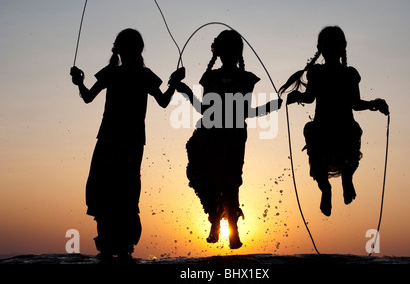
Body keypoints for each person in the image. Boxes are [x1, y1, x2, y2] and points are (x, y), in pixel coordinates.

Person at [70, 28, 184, 260]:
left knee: (104, 191)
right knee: (126, 193)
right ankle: (124, 247)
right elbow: (163, 101)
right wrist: (173, 83)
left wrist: (79, 83)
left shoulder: (113, 73)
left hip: (109, 141)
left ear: (118, 49)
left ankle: (109, 247)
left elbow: (88, 97)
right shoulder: (144, 75)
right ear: (138, 49)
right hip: (131, 143)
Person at [175, 30, 282, 249]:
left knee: (212, 180)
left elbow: (204, 108)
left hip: (217, 137)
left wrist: (185, 91)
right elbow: (242, 112)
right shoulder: (242, 79)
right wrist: (270, 107)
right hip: (226, 137)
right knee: (226, 182)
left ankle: (222, 226)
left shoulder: (218, 77)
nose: (227, 55)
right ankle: (225, 227)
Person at [279, 26, 389, 217]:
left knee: (318, 156)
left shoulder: (328, 73)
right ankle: (337, 184)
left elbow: (311, 98)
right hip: (343, 128)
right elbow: (354, 104)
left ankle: (334, 185)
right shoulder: (341, 74)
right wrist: (374, 104)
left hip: (325, 128)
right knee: (347, 145)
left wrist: (374, 104)